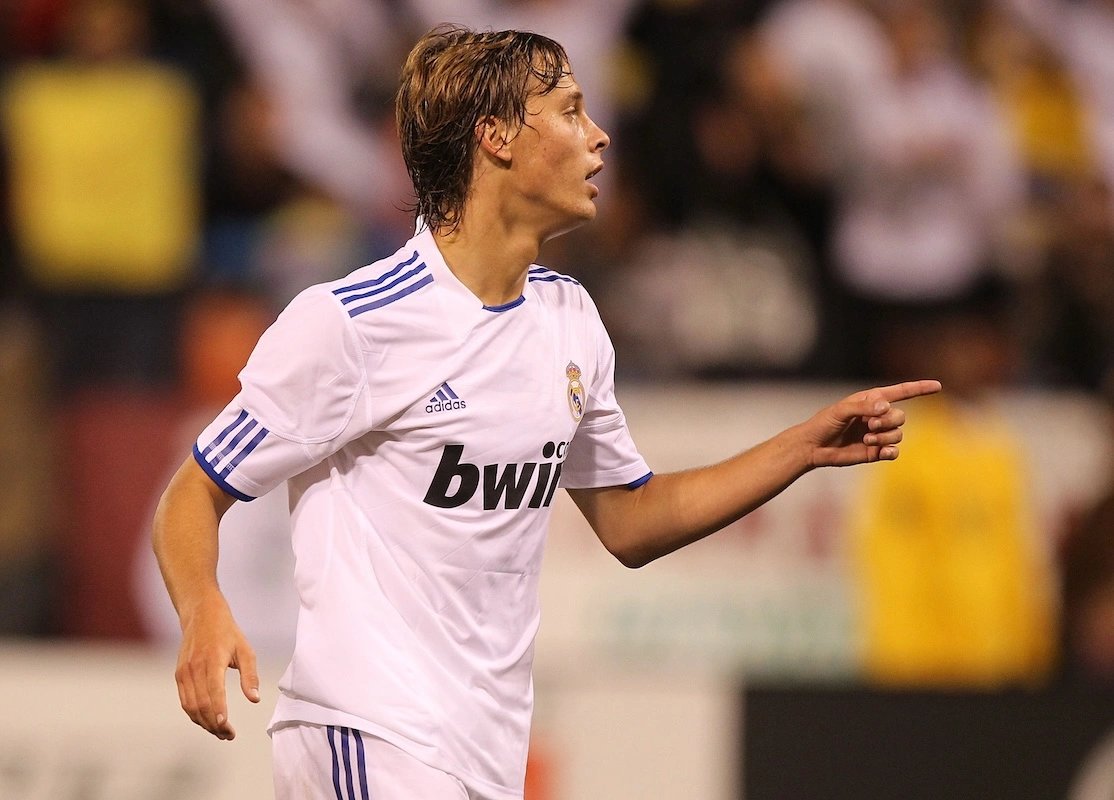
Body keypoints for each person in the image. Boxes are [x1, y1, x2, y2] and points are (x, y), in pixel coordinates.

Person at [151, 25, 941, 800]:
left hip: (483, 755)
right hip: (367, 735)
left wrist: (801, 446)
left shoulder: (569, 321)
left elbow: (631, 520)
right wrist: (202, 608)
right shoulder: (354, 322)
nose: (599, 137)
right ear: (494, 136)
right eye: (569, 110)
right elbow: (194, 491)